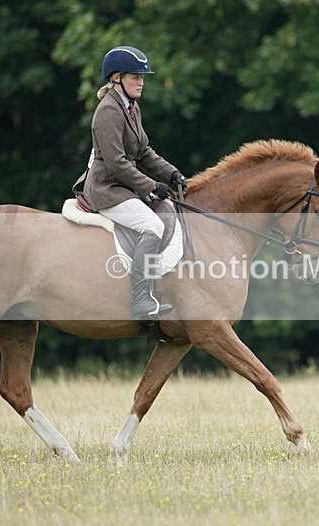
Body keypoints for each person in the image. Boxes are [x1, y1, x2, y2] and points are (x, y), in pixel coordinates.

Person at [75, 45, 187, 321]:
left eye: (142, 77)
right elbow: (117, 164)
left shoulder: (131, 107)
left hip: (123, 186)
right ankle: (140, 300)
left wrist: (172, 173)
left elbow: (144, 153)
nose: (141, 82)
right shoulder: (109, 111)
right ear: (116, 78)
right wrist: (152, 186)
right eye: (135, 77)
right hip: (106, 189)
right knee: (153, 225)